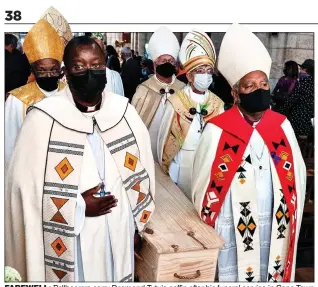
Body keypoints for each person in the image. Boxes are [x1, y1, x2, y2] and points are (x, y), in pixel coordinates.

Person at [5, 36, 155, 282]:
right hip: (73, 241)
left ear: (105, 69)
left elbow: (143, 171)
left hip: (118, 230)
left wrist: (138, 225)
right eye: (79, 66)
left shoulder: (124, 112)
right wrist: (79, 206)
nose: (89, 71)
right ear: (65, 72)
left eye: (96, 65)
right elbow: (23, 192)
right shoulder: (42, 119)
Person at [192, 24, 306, 282]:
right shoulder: (217, 130)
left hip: (275, 222)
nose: (259, 89)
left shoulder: (281, 127)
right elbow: (202, 188)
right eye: (249, 85)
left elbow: (295, 178)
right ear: (235, 93)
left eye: (263, 83)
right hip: (232, 225)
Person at [157, 29, 224, 199]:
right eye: (201, 71)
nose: (206, 76)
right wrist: (171, 170)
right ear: (189, 75)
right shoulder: (176, 101)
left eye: (209, 71)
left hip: (208, 163)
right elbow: (166, 138)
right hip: (183, 161)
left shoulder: (217, 104)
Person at [5, 7, 72, 169]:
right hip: (28, 168)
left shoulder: (70, 94)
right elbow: (8, 143)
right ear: (33, 71)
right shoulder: (17, 100)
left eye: (53, 70)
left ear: (61, 70)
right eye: (42, 70)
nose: (49, 75)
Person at [131, 27, 185, 161]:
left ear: (176, 65)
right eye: (163, 61)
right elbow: (134, 124)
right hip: (150, 145)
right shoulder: (144, 90)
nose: (168, 64)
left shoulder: (183, 89)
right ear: (155, 65)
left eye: (171, 61)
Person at [281, 59, 314, 137]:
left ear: (305, 69)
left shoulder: (303, 82)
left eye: (301, 69)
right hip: (310, 124)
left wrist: (281, 112)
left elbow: (292, 99)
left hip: (298, 120)